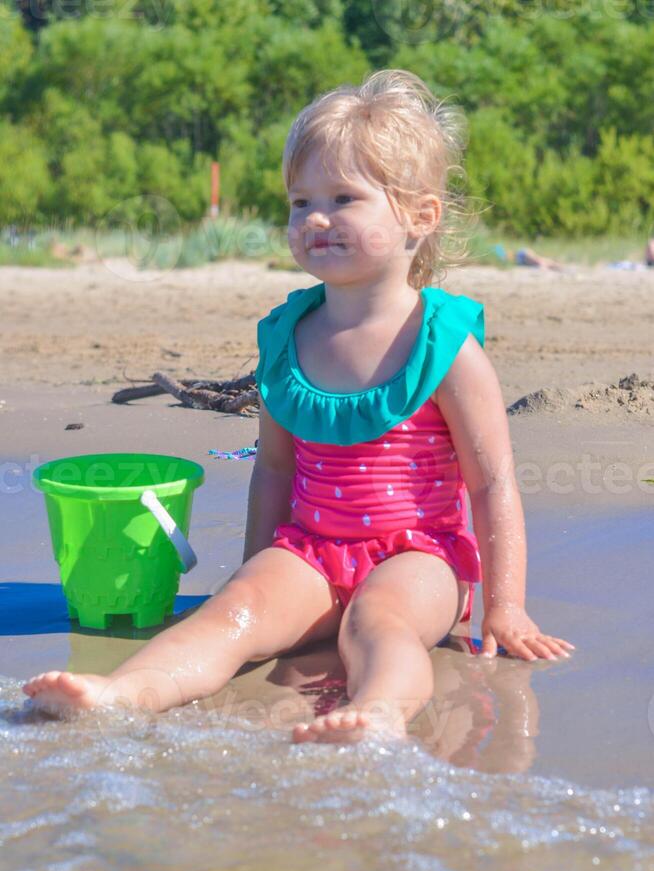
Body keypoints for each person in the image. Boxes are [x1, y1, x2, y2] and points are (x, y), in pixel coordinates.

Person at [23, 69, 575, 743]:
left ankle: (378, 712)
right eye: (298, 202)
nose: (314, 218)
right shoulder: (287, 339)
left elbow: (493, 482)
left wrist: (506, 607)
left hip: (421, 558)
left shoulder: (444, 347)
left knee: (380, 621)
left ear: (419, 216)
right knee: (236, 616)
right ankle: (121, 693)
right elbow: (276, 471)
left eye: (344, 198)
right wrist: (256, 572)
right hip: (311, 550)